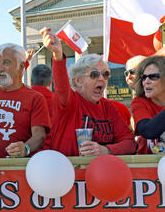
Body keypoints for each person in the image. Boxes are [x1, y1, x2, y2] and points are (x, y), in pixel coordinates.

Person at [40, 27, 136, 157]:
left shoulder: (108, 107)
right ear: (78, 81)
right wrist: (57, 54)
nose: (101, 78)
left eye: (105, 74)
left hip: (100, 172)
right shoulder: (69, 102)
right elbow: (61, 86)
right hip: (68, 172)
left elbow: (129, 143)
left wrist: (105, 150)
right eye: (94, 74)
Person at [130, 55, 165, 154]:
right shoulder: (139, 102)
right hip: (146, 165)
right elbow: (147, 130)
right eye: (143, 77)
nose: (146, 82)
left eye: (153, 77)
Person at [30, 64, 53, 149]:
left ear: (31, 81)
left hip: (27, 154)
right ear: (50, 83)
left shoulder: (24, 98)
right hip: (54, 152)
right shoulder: (57, 101)